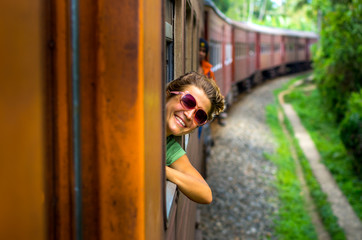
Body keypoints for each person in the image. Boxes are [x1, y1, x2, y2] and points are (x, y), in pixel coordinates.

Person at [165, 71, 225, 204]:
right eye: (188, 101)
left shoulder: (169, 148)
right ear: (169, 94)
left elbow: (205, 194)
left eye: (200, 115)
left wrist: (161, 170)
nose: (189, 115)